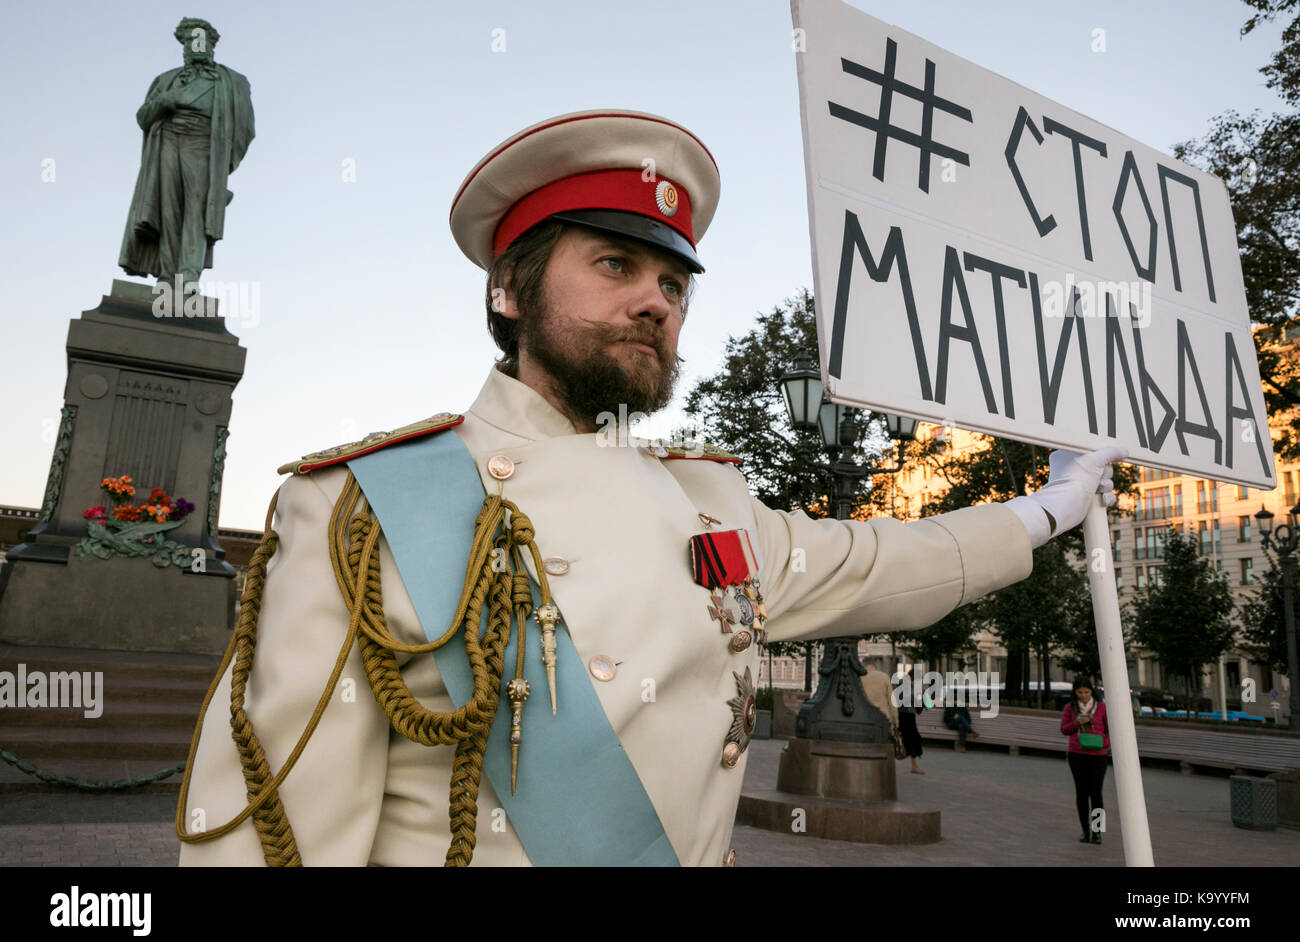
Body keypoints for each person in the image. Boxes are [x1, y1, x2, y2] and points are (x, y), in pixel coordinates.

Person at [175, 108, 1123, 867]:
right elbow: (279, 836)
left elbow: (877, 562)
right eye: (617, 265)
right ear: (509, 289)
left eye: (674, 283)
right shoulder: (362, 507)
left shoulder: (706, 499)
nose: (656, 303)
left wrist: (1052, 506)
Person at [119, 17, 255, 290]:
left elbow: (245, 128)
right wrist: (165, 101)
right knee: (169, 209)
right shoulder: (166, 80)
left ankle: (188, 275)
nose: (197, 45)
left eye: (202, 39)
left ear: (211, 45)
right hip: (168, 141)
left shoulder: (233, 81)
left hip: (204, 145)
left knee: (196, 207)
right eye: (192, 40)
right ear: (184, 46)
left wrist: (223, 170)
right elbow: (143, 117)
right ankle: (168, 277)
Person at [1061, 675, 1110, 844]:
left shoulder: (1102, 708)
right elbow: (1064, 729)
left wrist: (1104, 743)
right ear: (1075, 692)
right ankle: (1085, 830)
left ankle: (1098, 832)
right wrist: (1076, 722)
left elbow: (1111, 730)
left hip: (1098, 756)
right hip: (1077, 754)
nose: (1083, 696)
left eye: (1086, 692)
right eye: (1080, 692)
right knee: (1081, 794)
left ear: (1092, 691)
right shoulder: (1070, 708)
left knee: (1096, 794)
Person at [896, 670, 926, 773]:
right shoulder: (902, 685)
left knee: (913, 740)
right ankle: (914, 766)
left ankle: (914, 765)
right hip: (902, 716)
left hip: (910, 717)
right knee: (911, 740)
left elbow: (919, 708)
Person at [859, 659, 898, 736]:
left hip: (865, 717)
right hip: (883, 717)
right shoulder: (884, 677)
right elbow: (892, 701)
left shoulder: (859, 677)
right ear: (875, 665)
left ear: (863, 665)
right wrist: (895, 720)